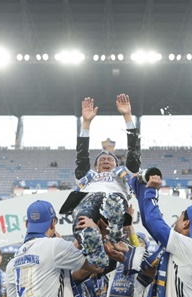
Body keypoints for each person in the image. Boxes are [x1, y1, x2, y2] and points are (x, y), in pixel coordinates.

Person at [60, 94, 140, 266]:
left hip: (113, 199)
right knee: (81, 219)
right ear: (95, 166)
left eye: (110, 159)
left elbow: (134, 152)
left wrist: (127, 117)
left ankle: (114, 237)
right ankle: (94, 250)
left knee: (112, 202)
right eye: (101, 159)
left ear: (116, 164)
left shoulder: (122, 174)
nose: (105, 160)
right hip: (88, 200)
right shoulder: (88, 177)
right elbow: (81, 156)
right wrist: (86, 123)